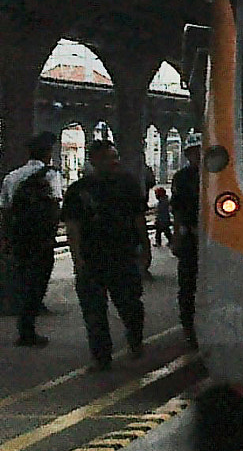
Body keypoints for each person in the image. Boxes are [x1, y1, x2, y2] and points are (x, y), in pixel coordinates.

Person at [60, 139, 148, 369]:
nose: (115, 161)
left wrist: (145, 248)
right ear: (95, 161)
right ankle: (101, 356)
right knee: (94, 310)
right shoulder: (79, 190)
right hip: (92, 258)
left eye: (115, 156)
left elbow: (139, 219)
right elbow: (73, 227)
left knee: (130, 304)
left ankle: (135, 339)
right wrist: (77, 258)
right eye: (110, 157)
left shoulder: (127, 184)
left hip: (123, 255)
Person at [2, 131, 64, 347]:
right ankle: (27, 330)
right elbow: (56, 207)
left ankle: (24, 326)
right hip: (42, 241)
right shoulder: (51, 176)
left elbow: (5, 211)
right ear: (48, 153)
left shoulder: (12, 177)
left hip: (20, 239)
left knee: (22, 280)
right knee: (38, 282)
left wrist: (7, 240)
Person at [170, 140, 202, 350]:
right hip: (191, 237)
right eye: (193, 153)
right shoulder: (183, 178)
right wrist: (178, 235)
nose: (197, 156)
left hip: (220, 237)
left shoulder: (223, 172)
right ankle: (189, 328)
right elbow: (178, 210)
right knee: (188, 285)